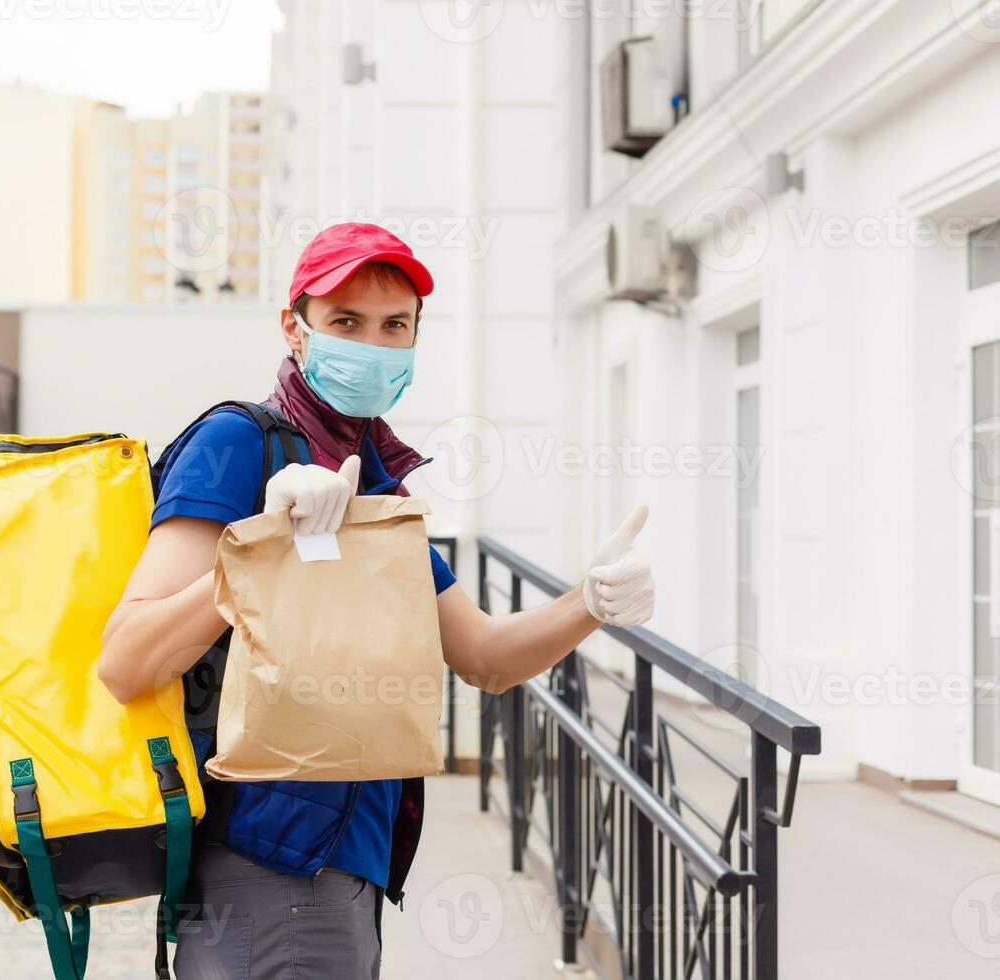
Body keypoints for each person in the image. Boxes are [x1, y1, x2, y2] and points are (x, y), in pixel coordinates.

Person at [98, 222, 655, 979]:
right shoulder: (237, 444)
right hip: (270, 865)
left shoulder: (374, 483)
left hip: (340, 872)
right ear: (294, 328)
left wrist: (590, 602)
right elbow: (128, 660)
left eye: (396, 326)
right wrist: (266, 543)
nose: (373, 344)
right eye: (346, 322)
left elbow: (485, 657)